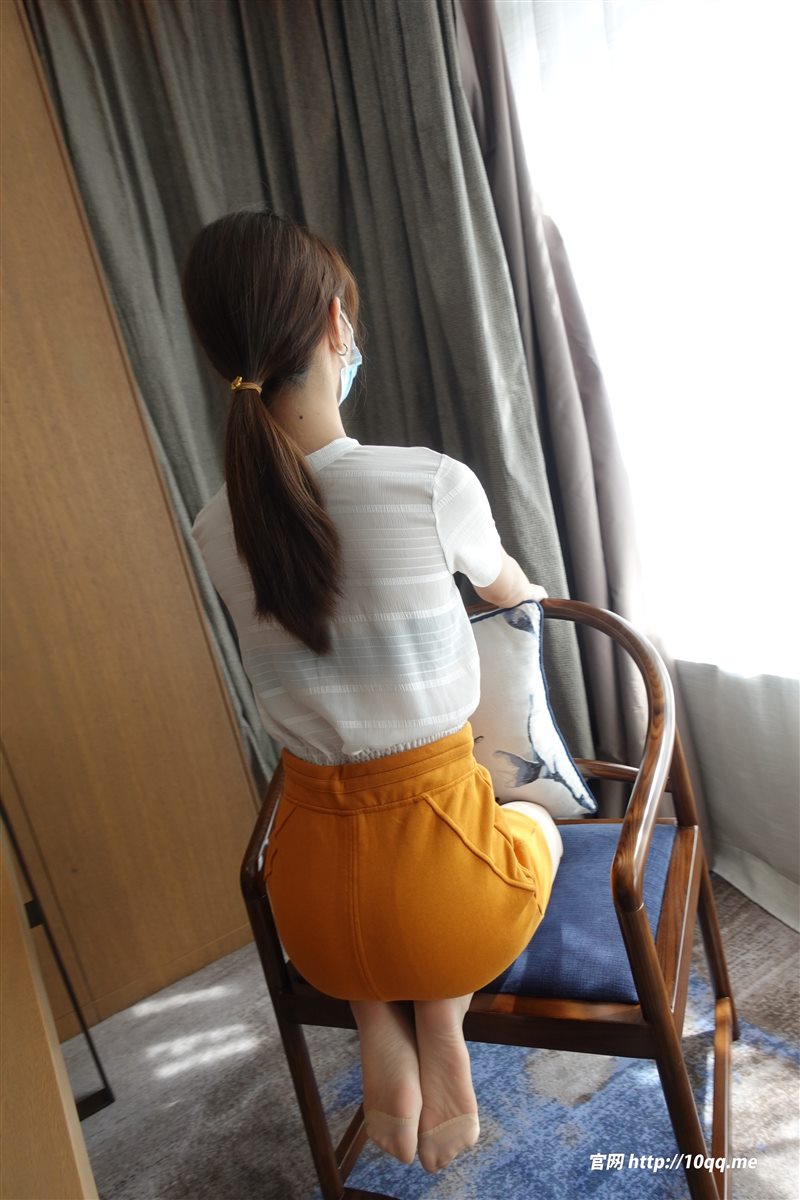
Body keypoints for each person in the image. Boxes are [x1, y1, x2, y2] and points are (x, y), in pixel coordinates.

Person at [183, 207, 563, 1174]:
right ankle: (441, 1017)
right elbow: (510, 590)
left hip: (309, 912)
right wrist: (521, 593)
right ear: (335, 325)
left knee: (373, 907)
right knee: (539, 827)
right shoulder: (427, 484)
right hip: (448, 897)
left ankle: (381, 1021)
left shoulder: (213, 527)